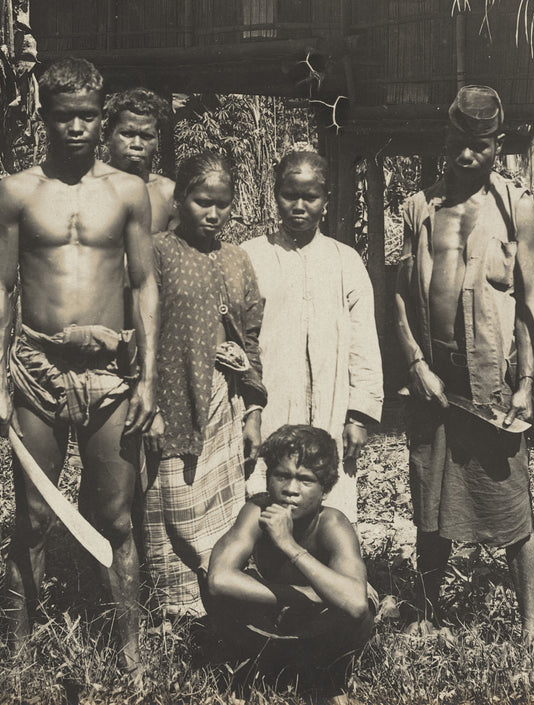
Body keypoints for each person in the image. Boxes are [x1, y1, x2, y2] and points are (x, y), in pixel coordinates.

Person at [0, 58, 158, 673]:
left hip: (111, 374)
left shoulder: (127, 192)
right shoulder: (17, 191)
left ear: (101, 116)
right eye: (63, 117)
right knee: (31, 514)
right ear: (44, 116)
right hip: (37, 368)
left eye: (87, 116)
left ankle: (130, 650)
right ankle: (18, 648)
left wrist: (149, 380)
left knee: (115, 514)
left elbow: (145, 285)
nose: (76, 128)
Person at [393, 86, 534, 640]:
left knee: (510, 502)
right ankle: (430, 614)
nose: (465, 156)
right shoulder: (418, 207)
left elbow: (529, 299)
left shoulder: (516, 206)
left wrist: (526, 380)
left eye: (478, 146)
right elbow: (402, 294)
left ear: (497, 145)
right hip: (434, 378)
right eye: (457, 143)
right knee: (429, 502)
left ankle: (531, 629)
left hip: (492, 380)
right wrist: (415, 363)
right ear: (446, 139)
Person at [140, 153, 266, 617]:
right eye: (201, 202)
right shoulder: (157, 251)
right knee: (171, 500)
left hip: (225, 402)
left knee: (223, 501)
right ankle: (177, 612)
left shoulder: (237, 260)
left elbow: (250, 335)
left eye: (223, 204)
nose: (213, 214)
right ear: (179, 200)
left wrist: (252, 411)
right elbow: (141, 328)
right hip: (171, 399)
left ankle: (223, 600)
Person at [241, 150, 383, 522]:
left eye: (310, 196)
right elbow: (242, 342)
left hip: (331, 412)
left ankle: (328, 572)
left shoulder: (345, 261)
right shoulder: (250, 257)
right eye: (290, 194)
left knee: (330, 502)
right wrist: (248, 412)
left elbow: (363, 344)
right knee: (265, 496)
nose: (299, 205)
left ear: (326, 200)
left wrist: (359, 416)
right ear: (275, 194)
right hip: (270, 407)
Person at [207, 425, 374, 705]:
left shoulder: (332, 524)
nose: (290, 490)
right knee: (208, 572)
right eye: (281, 476)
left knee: (363, 605)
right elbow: (218, 579)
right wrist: (301, 595)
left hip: (325, 624)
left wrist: (289, 545)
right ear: (268, 477)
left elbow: (355, 603)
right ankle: (264, 664)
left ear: (325, 488)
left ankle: (326, 679)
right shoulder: (257, 510)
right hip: (286, 612)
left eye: (305, 480)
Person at [105, 87, 178, 233]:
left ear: (157, 141)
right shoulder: (89, 186)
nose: (137, 144)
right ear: (107, 135)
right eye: (127, 134)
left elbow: (176, 252)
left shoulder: (168, 194)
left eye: (147, 136)